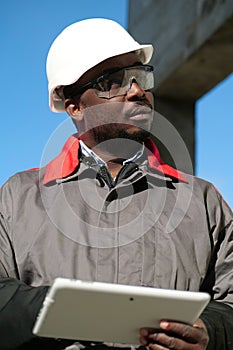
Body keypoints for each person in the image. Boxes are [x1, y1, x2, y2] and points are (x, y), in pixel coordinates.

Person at [0, 18, 232, 350]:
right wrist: (71, 311)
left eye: (141, 77)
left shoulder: (205, 203)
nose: (137, 91)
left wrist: (210, 332)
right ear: (75, 106)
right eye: (113, 82)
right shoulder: (16, 200)